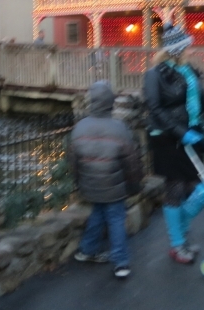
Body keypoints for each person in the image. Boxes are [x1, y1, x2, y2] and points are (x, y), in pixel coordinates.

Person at [144, 23, 204, 264]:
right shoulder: (155, 75)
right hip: (168, 139)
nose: (192, 50)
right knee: (175, 188)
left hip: (192, 134)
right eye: (188, 47)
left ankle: (179, 232)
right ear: (176, 50)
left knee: (200, 188)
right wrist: (181, 133)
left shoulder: (189, 71)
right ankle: (178, 243)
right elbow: (155, 109)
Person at [70, 81, 143, 279]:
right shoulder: (119, 128)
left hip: (90, 184)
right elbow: (132, 162)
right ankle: (121, 262)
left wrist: (79, 184)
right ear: (110, 102)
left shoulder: (79, 128)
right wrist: (135, 186)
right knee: (116, 218)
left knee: (98, 212)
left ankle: (87, 249)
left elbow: (73, 161)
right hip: (115, 186)